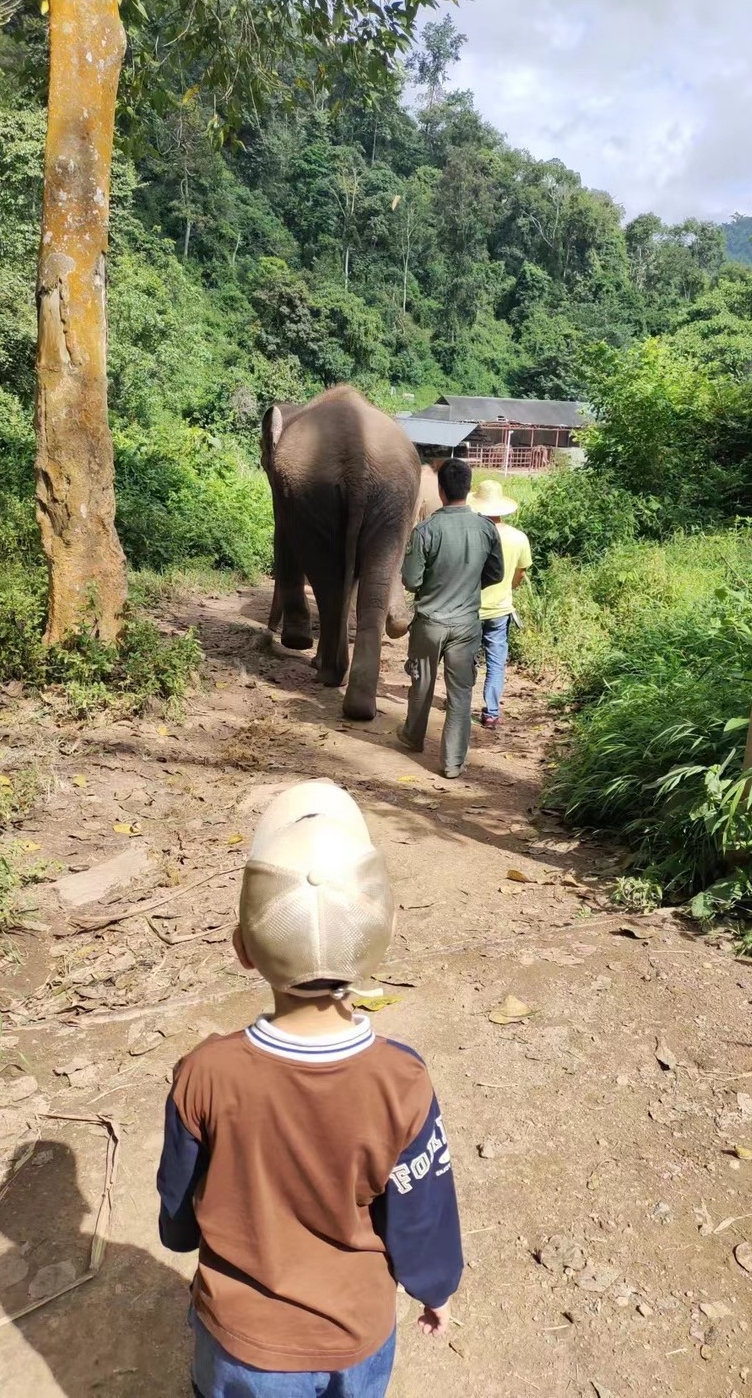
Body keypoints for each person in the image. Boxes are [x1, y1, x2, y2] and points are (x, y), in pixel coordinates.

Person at [157, 779, 463, 1398]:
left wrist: (182, 1239)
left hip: (239, 1341)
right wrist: (436, 1287)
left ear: (243, 949)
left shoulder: (204, 1072)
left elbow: (178, 1196)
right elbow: (421, 1210)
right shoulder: (401, 1081)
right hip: (355, 1336)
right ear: (383, 936)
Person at [397, 458, 504, 779]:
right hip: (466, 626)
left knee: (422, 683)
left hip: (430, 623)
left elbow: (411, 581)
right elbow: (496, 574)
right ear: (468, 490)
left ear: (440, 490)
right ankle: (452, 762)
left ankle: (413, 737)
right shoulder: (487, 529)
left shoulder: (426, 530)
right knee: (460, 694)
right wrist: (468, 586)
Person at [468, 479, 533, 730]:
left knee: (467, 658)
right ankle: (491, 713)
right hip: (501, 610)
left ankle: (461, 702)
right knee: (495, 662)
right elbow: (520, 575)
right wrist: (509, 587)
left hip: (471, 609)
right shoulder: (518, 538)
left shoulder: (472, 535)